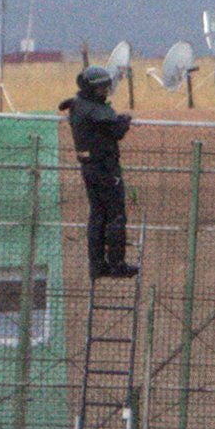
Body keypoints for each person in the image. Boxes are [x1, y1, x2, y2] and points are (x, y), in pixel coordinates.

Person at [59, 66, 137, 279]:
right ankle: (117, 264)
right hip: (105, 168)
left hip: (89, 167)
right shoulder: (94, 110)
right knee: (116, 217)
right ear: (90, 88)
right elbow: (116, 130)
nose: (104, 91)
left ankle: (97, 265)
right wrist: (124, 121)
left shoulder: (78, 105)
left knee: (98, 216)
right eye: (100, 87)